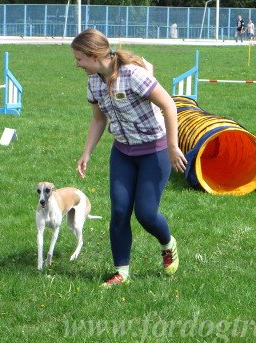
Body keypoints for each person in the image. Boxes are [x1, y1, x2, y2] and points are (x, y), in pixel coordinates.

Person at [71, 29, 187, 288]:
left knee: (146, 213)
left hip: (154, 151)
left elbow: (169, 105)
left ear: (94, 55)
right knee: (120, 212)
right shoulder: (94, 81)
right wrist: (86, 152)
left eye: (79, 58)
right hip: (123, 152)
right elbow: (99, 118)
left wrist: (172, 146)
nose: (76, 64)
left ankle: (168, 244)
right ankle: (121, 272)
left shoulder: (133, 75)